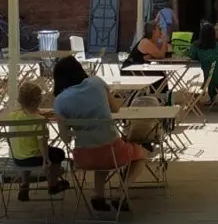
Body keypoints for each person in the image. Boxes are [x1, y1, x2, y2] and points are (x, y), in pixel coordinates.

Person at [52, 56, 149, 212]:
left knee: (98, 150)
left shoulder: (59, 101)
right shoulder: (97, 83)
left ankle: (98, 195)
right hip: (111, 151)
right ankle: (121, 192)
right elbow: (115, 109)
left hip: (84, 157)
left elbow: (66, 138)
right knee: (140, 154)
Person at [9, 82, 69, 201]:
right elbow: (43, 144)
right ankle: (53, 183)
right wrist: (46, 159)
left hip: (17, 158)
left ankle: (24, 185)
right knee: (59, 153)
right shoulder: (39, 121)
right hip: (35, 158)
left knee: (24, 150)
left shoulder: (12, 116)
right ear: (38, 101)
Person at [121, 22, 170, 93]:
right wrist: (165, 40)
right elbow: (161, 55)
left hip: (139, 68)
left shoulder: (151, 41)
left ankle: (160, 96)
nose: (161, 31)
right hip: (130, 69)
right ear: (154, 31)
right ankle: (159, 97)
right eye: (159, 29)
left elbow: (157, 53)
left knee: (161, 73)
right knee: (159, 74)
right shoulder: (145, 42)